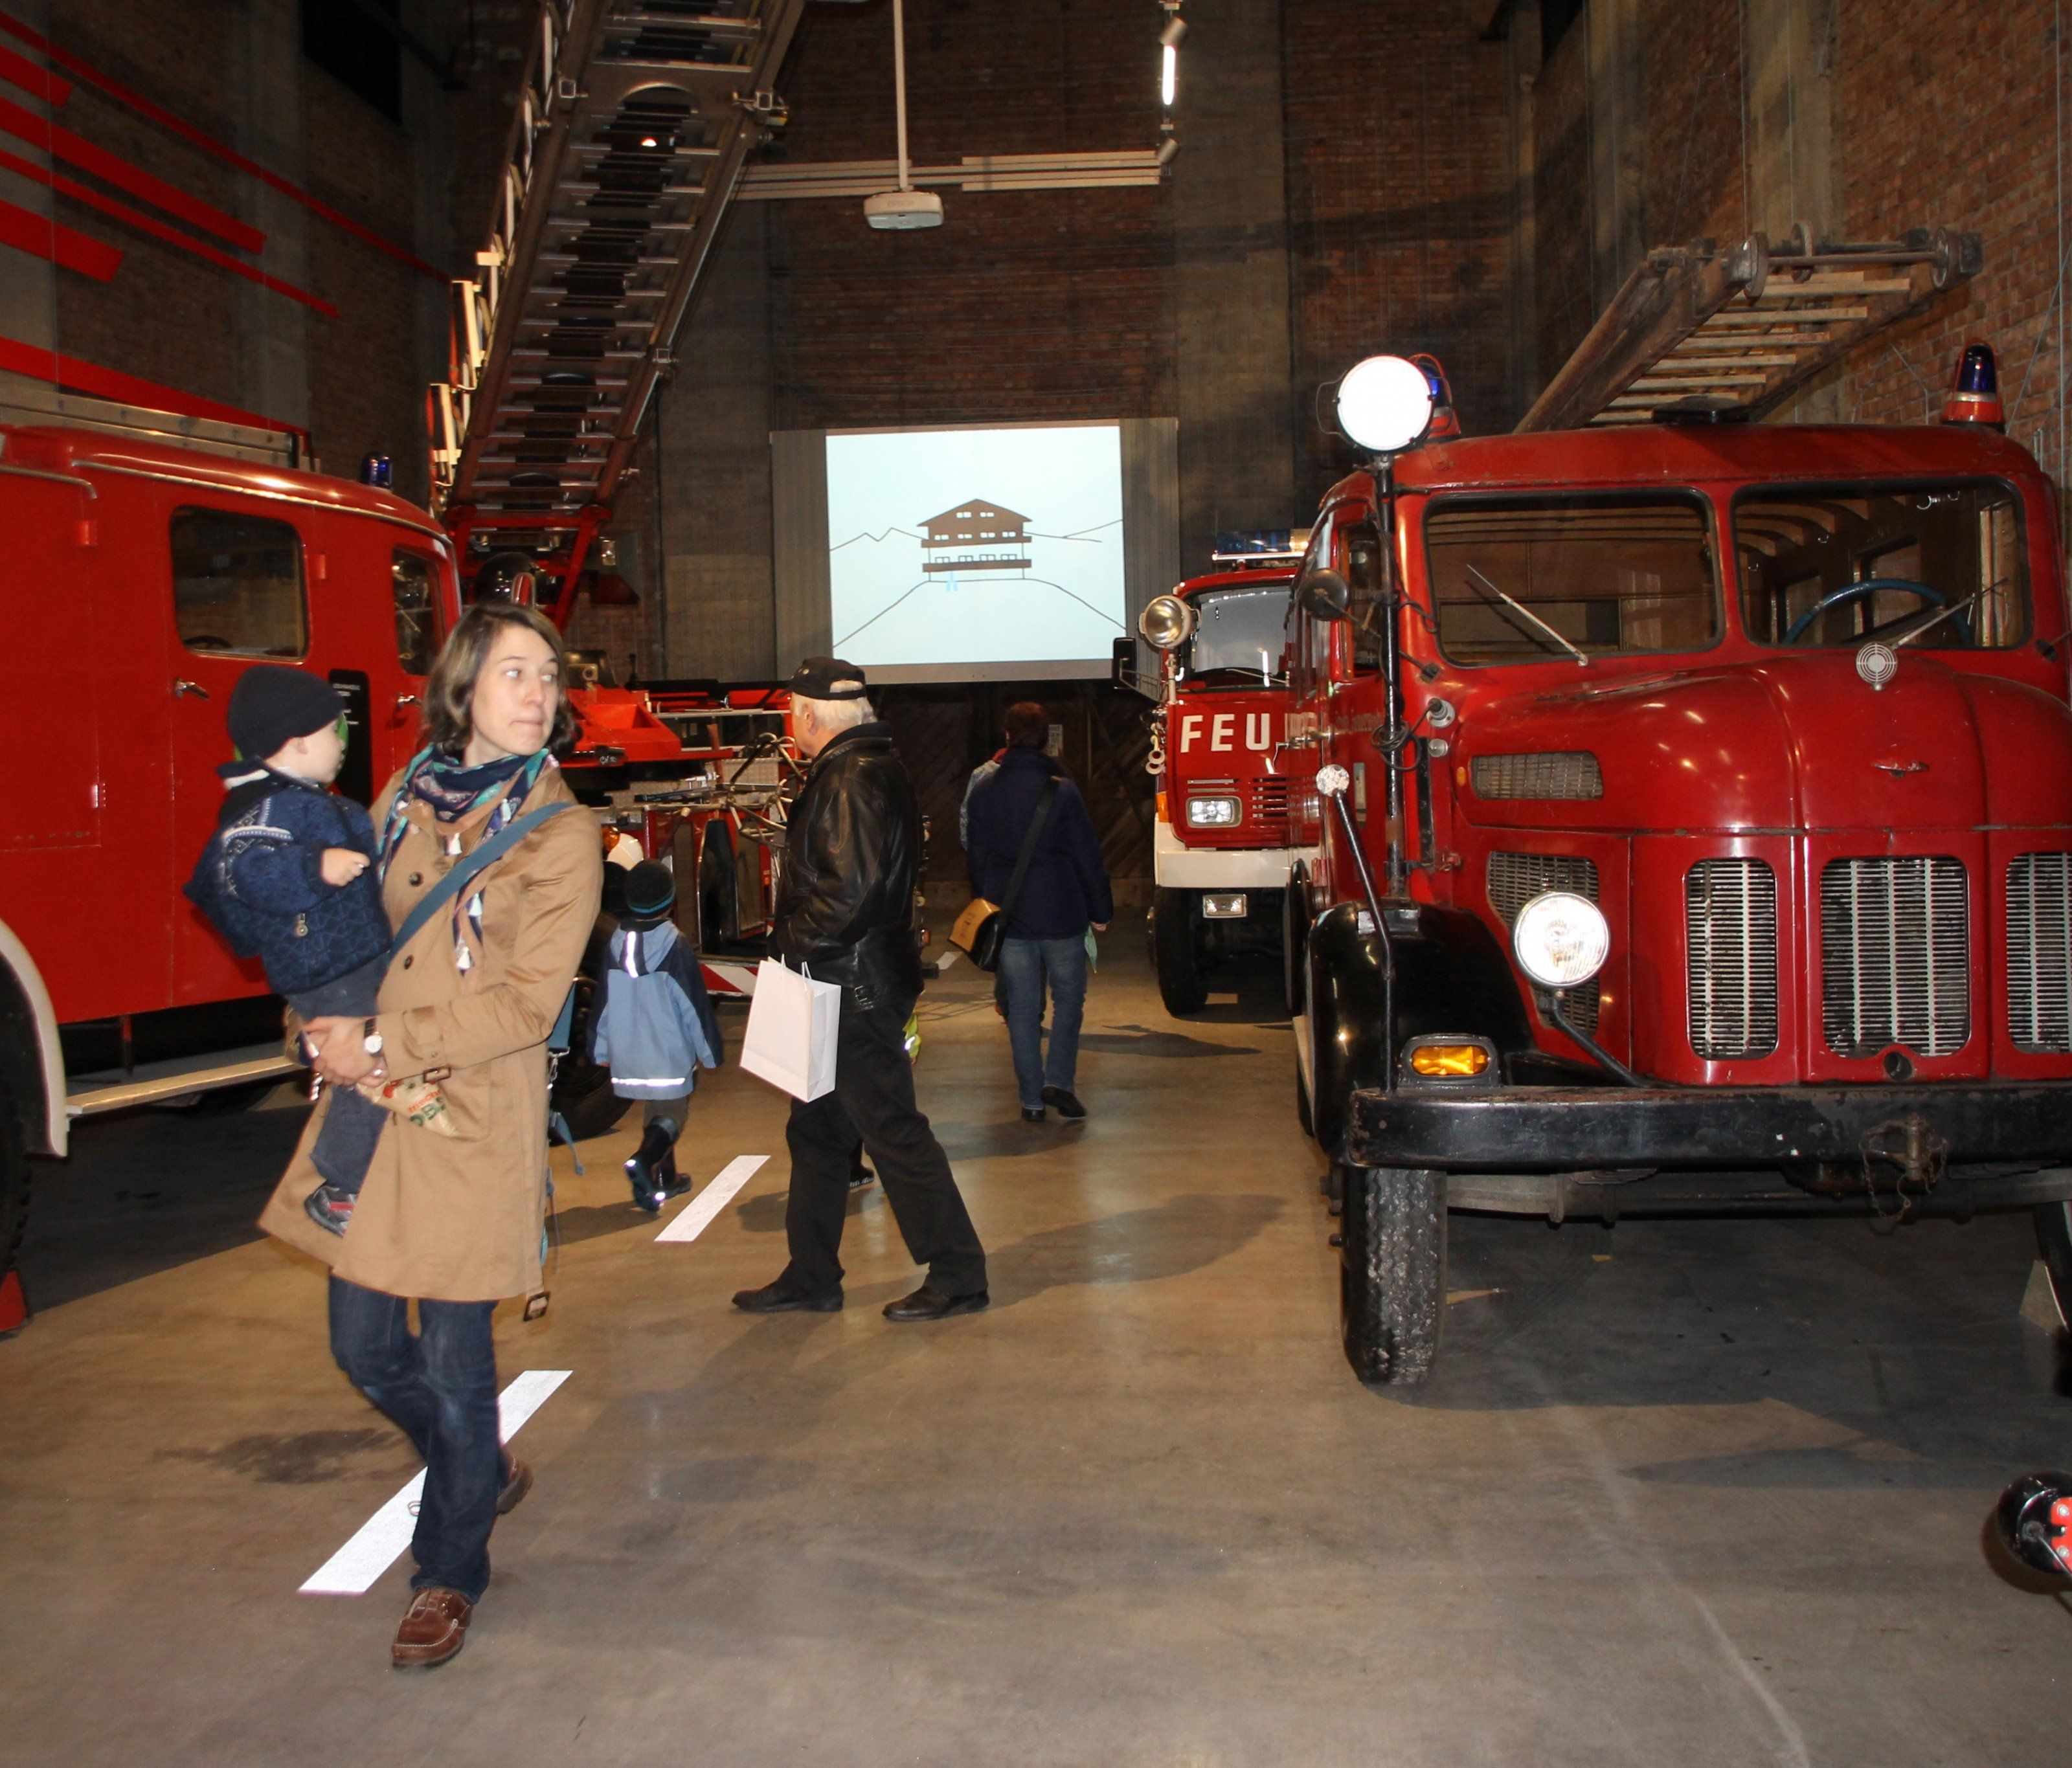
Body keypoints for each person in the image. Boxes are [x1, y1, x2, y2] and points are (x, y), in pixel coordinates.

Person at [257, 602, 603, 1672]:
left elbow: (526, 1007)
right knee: (362, 1348)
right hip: (372, 1118)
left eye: (548, 675)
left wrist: (379, 1041)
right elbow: (345, 933)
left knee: (457, 1368)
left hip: (469, 1121)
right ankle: (478, 1467)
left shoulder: (561, 834)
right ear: (464, 689)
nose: (538, 693)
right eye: (515, 673)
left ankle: (448, 1569)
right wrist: (316, 1017)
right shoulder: (403, 798)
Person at [732, 656, 989, 1323]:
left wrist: (790, 948)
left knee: (892, 1130)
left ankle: (958, 1273)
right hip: (846, 980)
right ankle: (811, 1273)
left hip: (851, 986)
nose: (792, 726)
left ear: (810, 716)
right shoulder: (868, 766)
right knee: (817, 1133)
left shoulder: (849, 777)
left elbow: (850, 892)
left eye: (792, 714)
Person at [183, 666, 452, 1238]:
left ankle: (372, 1165)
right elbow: (246, 870)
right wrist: (316, 867)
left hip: (349, 957)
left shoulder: (301, 800)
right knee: (367, 1062)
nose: (341, 745)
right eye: (335, 733)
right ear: (298, 740)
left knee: (383, 1049)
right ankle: (343, 1184)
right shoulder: (270, 808)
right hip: (329, 966)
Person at [965, 702, 1114, 1122]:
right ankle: (1059, 1082)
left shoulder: (984, 791)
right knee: (1069, 1000)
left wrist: (987, 904)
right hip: (1062, 914)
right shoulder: (1061, 789)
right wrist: (1100, 908)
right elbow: (1087, 854)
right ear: (1046, 737)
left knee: (1023, 1011)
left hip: (1010, 919)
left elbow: (976, 858)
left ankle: (1031, 1100)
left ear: (1006, 735)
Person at [592, 859, 723, 1211]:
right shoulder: (675, 947)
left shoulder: (615, 944)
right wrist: (710, 1053)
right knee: (673, 1111)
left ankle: (666, 1178)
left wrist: (599, 1049)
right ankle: (644, 1160)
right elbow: (693, 1007)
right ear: (670, 900)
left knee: (656, 1107)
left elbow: (602, 1002)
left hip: (628, 1052)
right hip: (666, 1051)